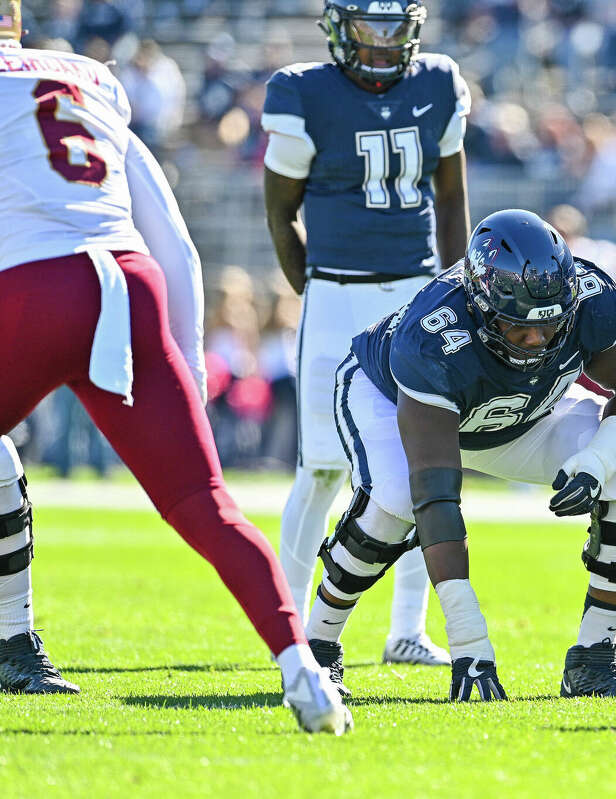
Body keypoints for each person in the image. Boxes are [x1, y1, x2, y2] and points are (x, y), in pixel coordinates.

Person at [0, 1, 348, 733]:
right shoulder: (88, 76)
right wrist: (184, 375)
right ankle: (304, 673)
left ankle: (13, 639)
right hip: (130, 285)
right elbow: (177, 244)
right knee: (208, 504)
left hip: (33, 289)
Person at [308, 209, 616, 701]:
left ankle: (593, 660)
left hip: (518, 412)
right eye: (519, 327)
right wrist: (467, 637)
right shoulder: (434, 340)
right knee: (394, 500)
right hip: (391, 397)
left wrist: (598, 460)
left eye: (549, 326)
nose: (537, 341)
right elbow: (434, 497)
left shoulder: (588, 301)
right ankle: (318, 649)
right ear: (479, 306)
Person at [262, 0, 470, 670]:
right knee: (320, 467)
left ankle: (406, 629)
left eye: (393, 29)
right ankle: (289, 627)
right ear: (337, 29)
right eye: (367, 30)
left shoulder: (439, 81)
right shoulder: (302, 91)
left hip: (412, 294)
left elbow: (452, 197)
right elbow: (279, 211)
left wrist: (455, 285)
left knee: (420, 468)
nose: (381, 44)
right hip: (337, 294)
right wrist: (316, 286)